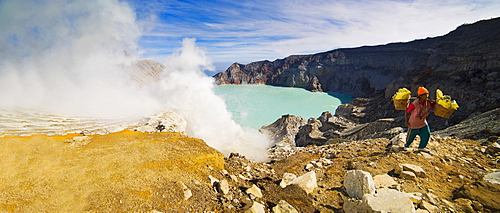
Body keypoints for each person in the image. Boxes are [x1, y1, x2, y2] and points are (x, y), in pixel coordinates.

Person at [404, 86, 435, 152]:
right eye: (425, 95)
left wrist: (435, 103)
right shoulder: (414, 104)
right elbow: (407, 111)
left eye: (427, 94)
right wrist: (406, 121)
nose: (427, 96)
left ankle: (421, 147)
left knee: (426, 133)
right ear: (420, 96)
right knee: (411, 135)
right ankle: (407, 145)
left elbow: (432, 107)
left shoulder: (428, 103)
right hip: (414, 123)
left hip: (423, 122)